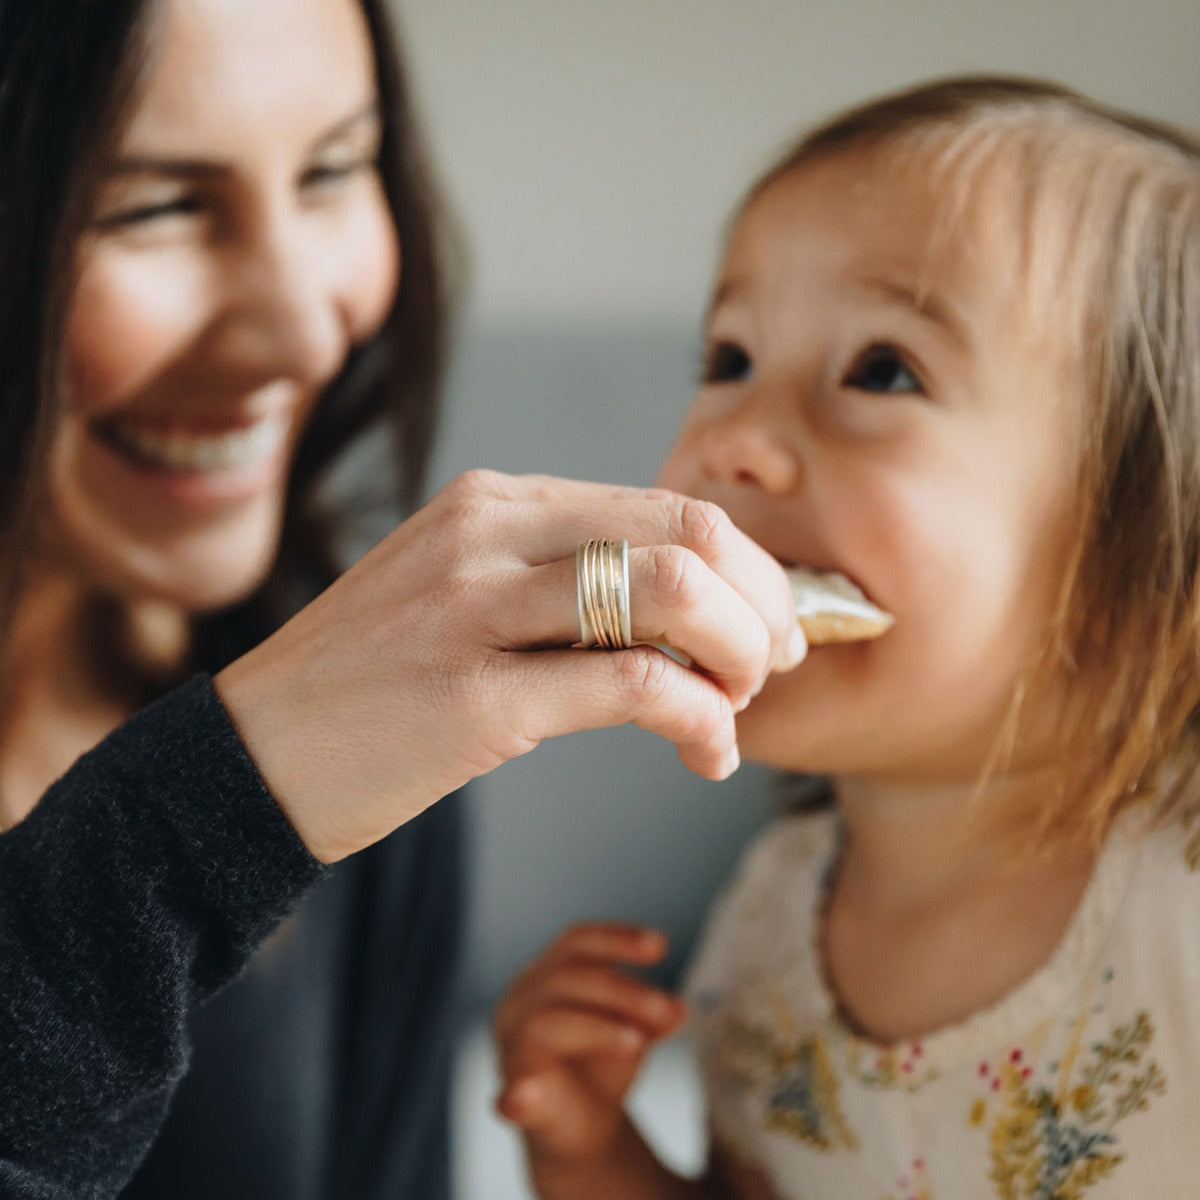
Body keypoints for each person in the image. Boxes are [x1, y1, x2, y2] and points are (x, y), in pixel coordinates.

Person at [0, 1, 806, 1197]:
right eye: (154, 205)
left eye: (334, 169)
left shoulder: (361, 707)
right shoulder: (301, 734)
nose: (300, 326)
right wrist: (217, 804)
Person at [495, 76, 1200, 1199]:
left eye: (883, 369)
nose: (734, 440)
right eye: (728, 358)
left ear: (1142, 574)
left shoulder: (1179, 909)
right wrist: (591, 1153)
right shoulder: (768, 935)